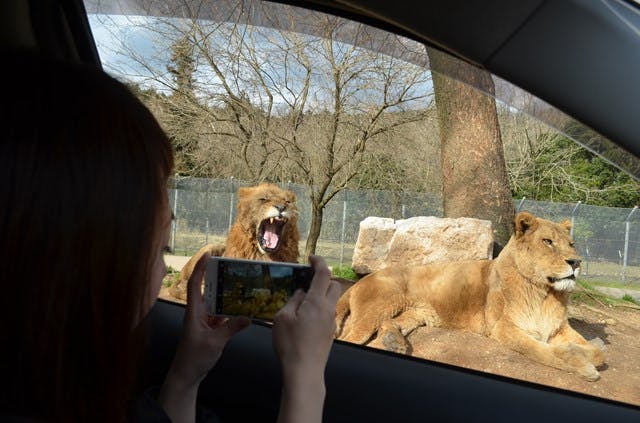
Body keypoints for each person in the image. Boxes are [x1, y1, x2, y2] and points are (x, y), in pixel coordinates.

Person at [0, 50, 341, 423]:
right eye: (161, 248)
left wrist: (186, 371)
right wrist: (306, 377)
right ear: (87, 260)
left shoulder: (51, 391)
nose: (165, 270)